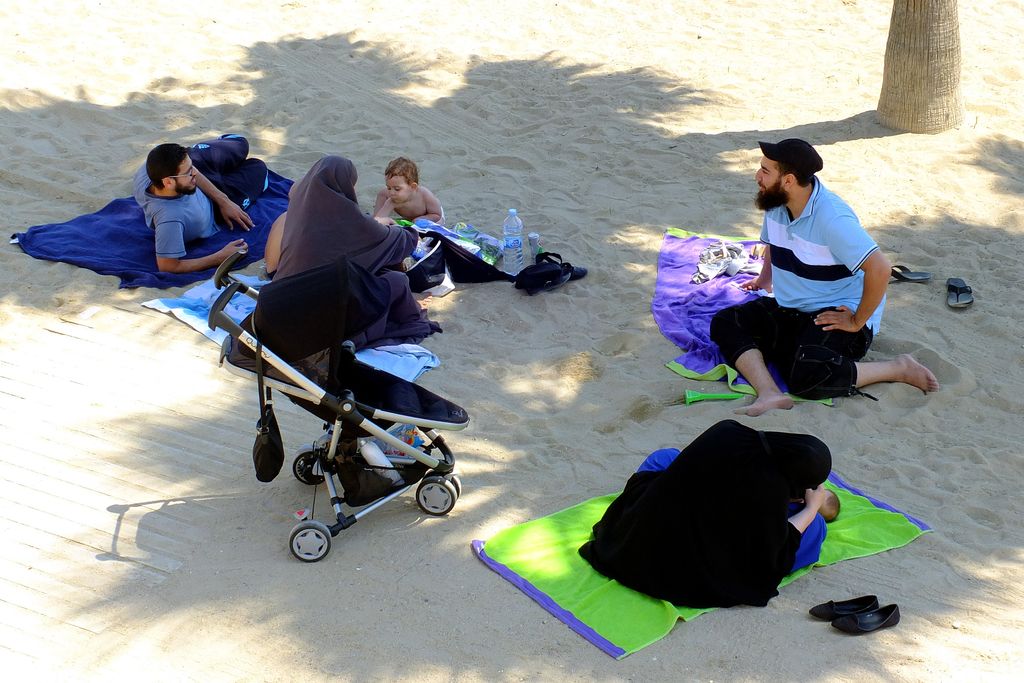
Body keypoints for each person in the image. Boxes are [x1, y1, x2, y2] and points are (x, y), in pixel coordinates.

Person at [709, 139, 939, 416]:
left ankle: (898, 368)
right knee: (725, 322)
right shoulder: (776, 203)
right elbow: (774, 244)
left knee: (807, 377)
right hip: (792, 307)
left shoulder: (833, 219)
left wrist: (856, 321)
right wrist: (764, 280)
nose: (758, 176)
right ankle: (769, 392)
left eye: (765, 171)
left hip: (835, 312)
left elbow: (880, 269)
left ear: (788, 180)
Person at [578, 419, 832, 608]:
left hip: (631, 542)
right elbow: (772, 553)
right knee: (816, 528)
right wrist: (810, 508)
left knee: (665, 457)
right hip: (683, 571)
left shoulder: (728, 431)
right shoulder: (768, 493)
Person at [270, 155, 439, 347]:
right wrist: (387, 227)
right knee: (396, 280)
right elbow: (403, 241)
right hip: (322, 314)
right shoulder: (349, 220)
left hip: (280, 303)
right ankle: (371, 331)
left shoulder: (297, 213)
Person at [133, 134, 267, 273]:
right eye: (189, 172)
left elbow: (193, 170)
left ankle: (202, 155)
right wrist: (219, 257)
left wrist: (224, 201)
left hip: (200, 170)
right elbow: (168, 266)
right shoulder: (170, 219)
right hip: (214, 208)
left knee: (241, 143)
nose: (194, 172)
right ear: (168, 182)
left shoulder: (155, 169)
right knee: (258, 167)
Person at [372, 157, 444, 225]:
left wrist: (421, 219)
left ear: (413, 187)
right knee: (383, 195)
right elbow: (378, 221)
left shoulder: (425, 195)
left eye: (397, 189)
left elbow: (437, 215)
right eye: (389, 188)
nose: (391, 193)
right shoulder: (392, 201)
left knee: (438, 224)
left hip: (431, 214)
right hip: (410, 219)